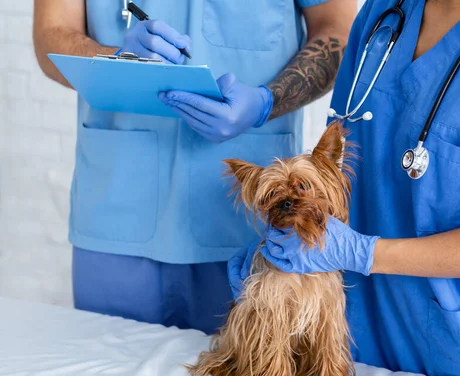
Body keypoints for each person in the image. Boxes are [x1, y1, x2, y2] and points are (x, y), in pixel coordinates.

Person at [229, 0, 460, 376]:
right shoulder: (381, 13)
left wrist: (363, 252)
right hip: (366, 344)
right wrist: (292, 239)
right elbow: (337, 155)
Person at [32, 0, 355, 334]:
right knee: (102, 374)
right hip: (116, 217)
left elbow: (341, 30)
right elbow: (51, 33)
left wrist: (267, 101)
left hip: (251, 228)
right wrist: (111, 60)